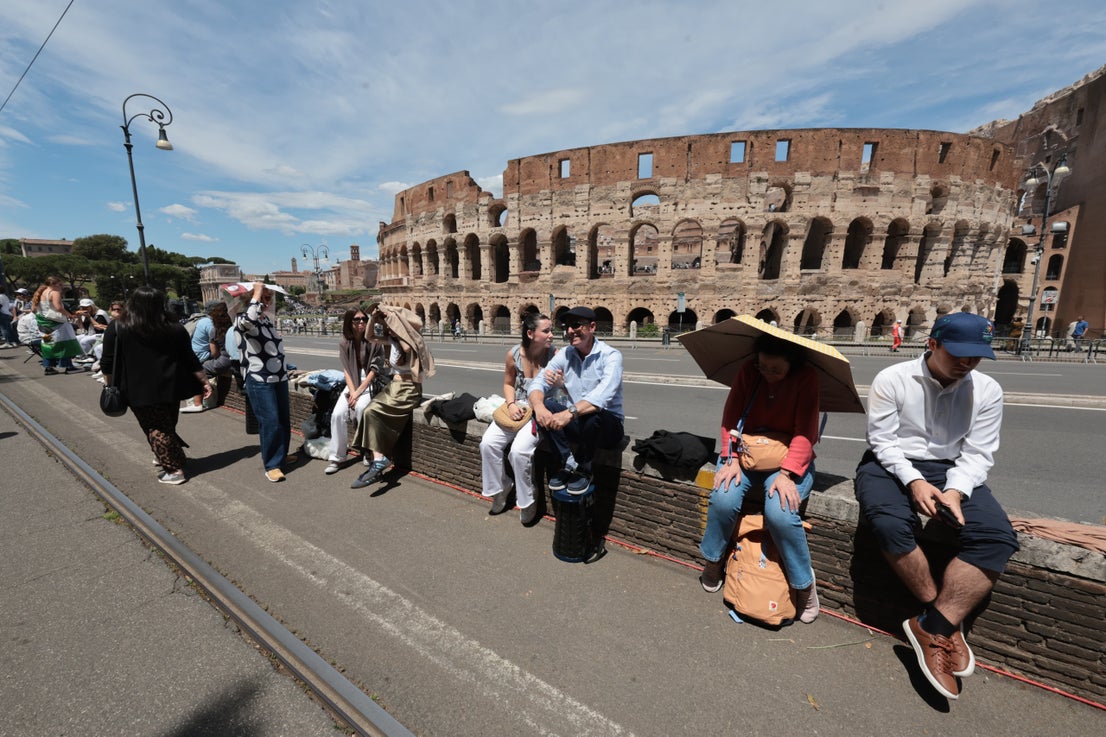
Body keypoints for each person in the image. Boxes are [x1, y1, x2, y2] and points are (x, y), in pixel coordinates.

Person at [854, 311, 1018, 701]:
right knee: (890, 524)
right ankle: (942, 622)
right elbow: (883, 441)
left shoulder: (987, 390)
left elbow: (979, 453)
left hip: (952, 470)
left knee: (997, 538)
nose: (966, 364)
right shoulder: (892, 379)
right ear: (933, 344)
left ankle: (934, 624)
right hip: (890, 464)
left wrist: (956, 491)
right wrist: (914, 481)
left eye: (976, 357)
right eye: (958, 355)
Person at [697, 333, 821, 622]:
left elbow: (806, 432)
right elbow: (731, 418)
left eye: (776, 369)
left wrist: (788, 474)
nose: (768, 374)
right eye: (764, 366)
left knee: (781, 512)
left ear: (793, 364)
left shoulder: (807, 379)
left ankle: (804, 585)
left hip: (787, 461)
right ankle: (713, 561)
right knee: (723, 498)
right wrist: (729, 459)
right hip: (746, 457)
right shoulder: (749, 372)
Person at [101, 286, 211, 485]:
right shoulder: (174, 327)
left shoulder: (118, 327)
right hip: (173, 384)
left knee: (156, 427)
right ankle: (165, 454)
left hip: (137, 387)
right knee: (167, 424)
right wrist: (204, 380)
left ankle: (174, 469)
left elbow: (107, 363)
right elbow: (190, 357)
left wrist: (109, 385)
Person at [529, 306, 624, 494]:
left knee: (593, 413)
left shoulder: (611, 356)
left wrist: (569, 413)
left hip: (608, 428)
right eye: (568, 326)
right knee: (546, 405)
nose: (570, 331)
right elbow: (538, 382)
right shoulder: (566, 354)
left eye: (577, 325)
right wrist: (539, 407)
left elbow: (601, 396)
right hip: (578, 422)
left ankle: (585, 468)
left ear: (592, 327)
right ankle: (568, 462)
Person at [479, 312, 556, 525]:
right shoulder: (514, 354)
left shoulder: (554, 355)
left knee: (519, 452)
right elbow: (508, 383)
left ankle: (528, 498)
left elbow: (566, 386)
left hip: (540, 409)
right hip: (517, 408)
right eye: (546, 331)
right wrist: (511, 404)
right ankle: (501, 487)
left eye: (551, 330)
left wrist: (560, 382)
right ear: (531, 333)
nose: (551, 335)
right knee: (487, 444)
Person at [350, 305, 435, 488]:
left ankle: (378, 460)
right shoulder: (392, 340)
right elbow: (369, 336)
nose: (386, 327)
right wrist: (373, 318)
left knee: (371, 411)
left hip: (408, 388)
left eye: (389, 324)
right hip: (395, 386)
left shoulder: (412, 340)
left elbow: (405, 348)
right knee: (368, 412)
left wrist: (394, 322)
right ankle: (378, 459)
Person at [234, 282, 294, 482]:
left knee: (284, 420)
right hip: (260, 379)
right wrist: (257, 293)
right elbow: (248, 322)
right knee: (270, 422)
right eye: (264, 298)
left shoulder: (266, 321)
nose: (267, 302)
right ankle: (272, 464)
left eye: (269, 298)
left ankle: (282, 456)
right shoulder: (242, 319)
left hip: (278, 377)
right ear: (251, 299)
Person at [324, 308, 386, 474]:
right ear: (349, 323)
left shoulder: (374, 340)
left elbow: (374, 370)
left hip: (369, 382)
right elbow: (346, 370)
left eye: (364, 319)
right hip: (352, 381)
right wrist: (352, 392)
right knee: (337, 414)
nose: (361, 322)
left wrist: (357, 393)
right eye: (357, 320)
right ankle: (337, 458)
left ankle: (367, 452)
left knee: (360, 409)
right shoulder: (345, 343)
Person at [182, 301, 234, 412]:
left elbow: (214, 353)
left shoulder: (214, 329)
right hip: (236, 360)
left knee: (198, 373)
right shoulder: (235, 326)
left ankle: (198, 403)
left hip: (224, 360)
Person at [33, 277, 82, 374]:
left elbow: (33, 309)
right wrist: (69, 315)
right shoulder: (54, 293)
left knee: (48, 344)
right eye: (60, 284)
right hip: (56, 322)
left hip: (42, 323)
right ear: (52, 284)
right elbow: (58, 307)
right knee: (65, 343)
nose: (62, 287)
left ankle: (48, 367)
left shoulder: (39, 292)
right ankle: (68, 366)